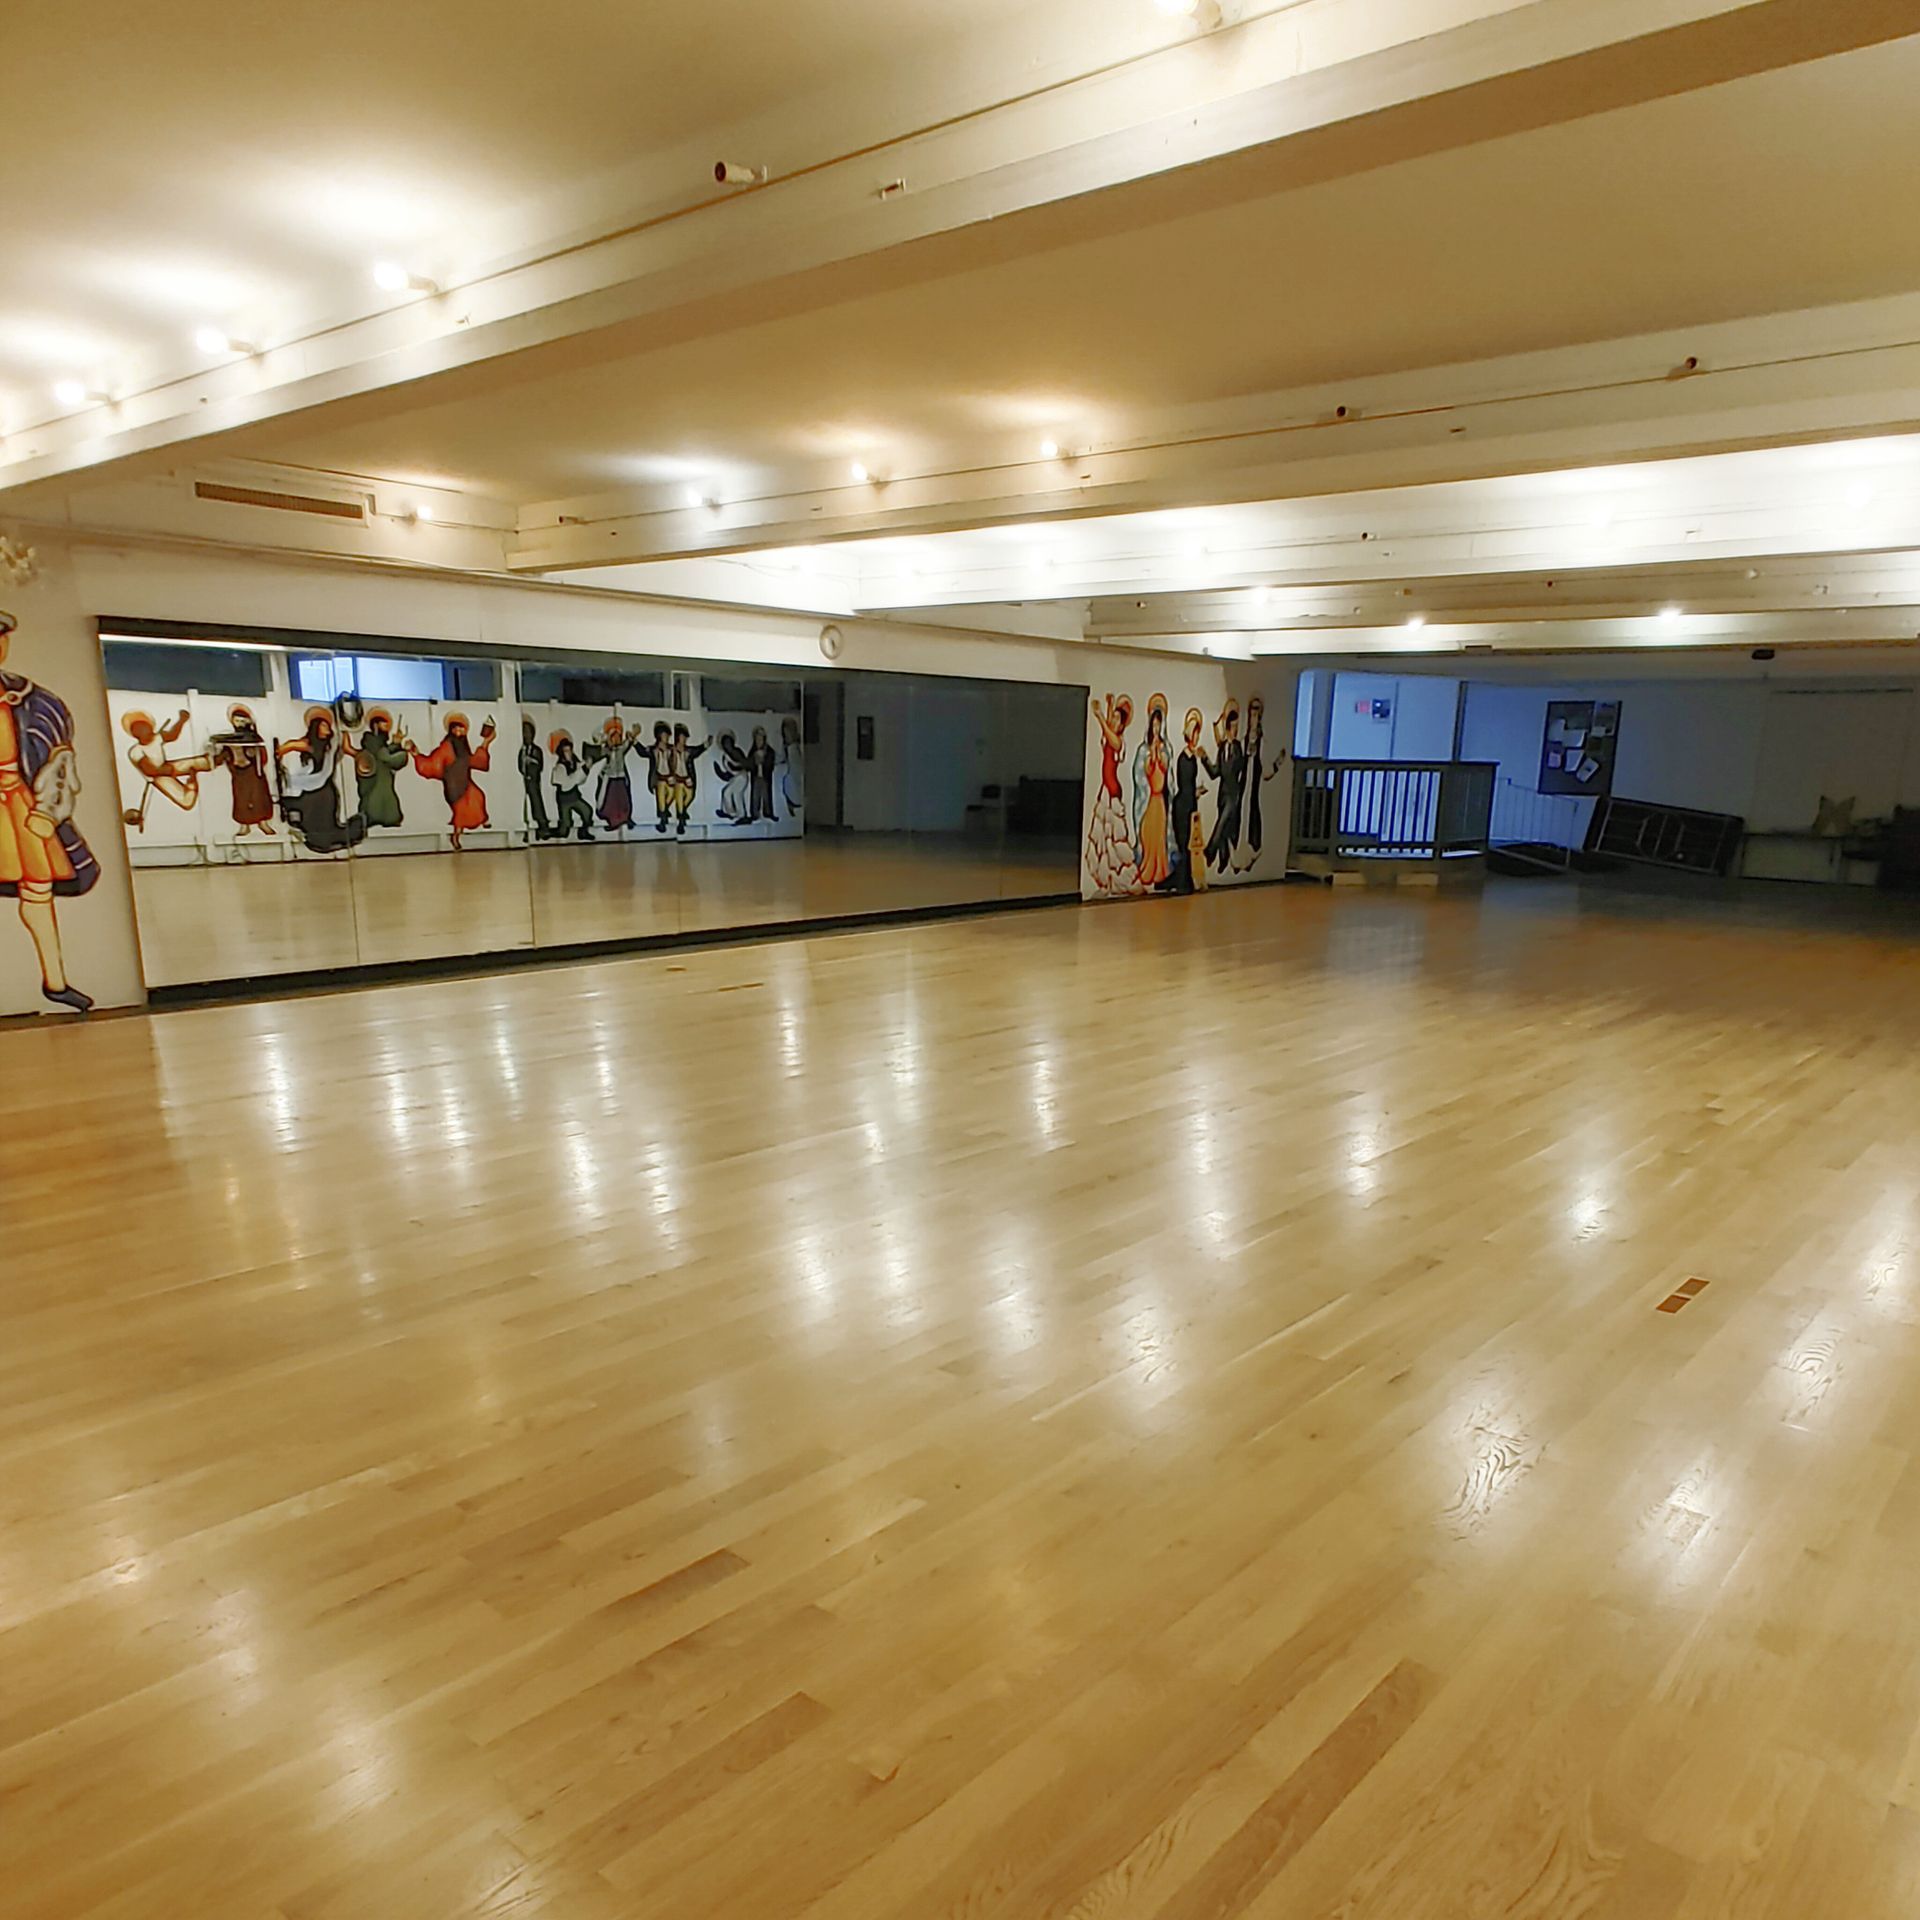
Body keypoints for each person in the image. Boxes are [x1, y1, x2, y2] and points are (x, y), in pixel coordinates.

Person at [0, 609, 98, 1012]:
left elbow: (59, 763)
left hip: (16, 802)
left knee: (37, 890)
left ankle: (55, 981)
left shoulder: (32, 701)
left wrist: (47, 810)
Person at [277, 707, 368, 854]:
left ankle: (330, 839)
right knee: (309, 817)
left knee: (326, 821)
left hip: (326, 790)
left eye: (328, 725)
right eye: (324, 725)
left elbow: (346, 748)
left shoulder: (330, 746)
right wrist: (279, 755)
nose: (328, 729)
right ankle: (314, 839)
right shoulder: (308, 743)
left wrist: (347, 735)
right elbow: (289, 746)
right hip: (312, 790)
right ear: (316, 726)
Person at [411, 711, 494, 849]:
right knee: (462, 811)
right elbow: (434, 764)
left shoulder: (463, 746)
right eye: (455, 728)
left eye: (461, 728)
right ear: (451, 730)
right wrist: (417, 756)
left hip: (465, 782)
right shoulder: (447, 746)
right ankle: (455, 837)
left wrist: (486, 742)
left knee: (478, 796)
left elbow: (474, 761)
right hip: (454, 785)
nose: (458, 731)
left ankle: (482, 820)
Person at [120, 708, 210, 828]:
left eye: (145, 727)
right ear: (135, 735)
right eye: (138, 729)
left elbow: (172, 736)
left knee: (194, 763)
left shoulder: (157, 738)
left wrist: (181, 721)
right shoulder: (136, 751)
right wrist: (167, 771)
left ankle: (212, 761)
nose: (144, 731)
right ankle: (191, 784)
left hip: (165, 766)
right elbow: (150, 770)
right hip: (158, 776)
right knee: (185, 800)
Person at [1231, 694, 1289, 875]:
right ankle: (1236, 858)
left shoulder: (1263, 744)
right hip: (1241, 790)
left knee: (1252, 820)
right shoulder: (1241, 741)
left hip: (1252, 792)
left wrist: (1278, 763)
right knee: (1238, 820)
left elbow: (1265, 773)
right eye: (1252, 712)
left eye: (1257, 713)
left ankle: (1249, 856)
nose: (1254, 717)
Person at [1086, 693, 1136, 895]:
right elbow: (1107, 731)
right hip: (1105, 790)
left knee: (1114, 839)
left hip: (1113, 791)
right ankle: (1105, 880)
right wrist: (1108, 707)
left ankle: (1120, 879)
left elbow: (1110, 735)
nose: (1112, 721)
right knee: (1103, 839)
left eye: (1117, 719)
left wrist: (1100, 716)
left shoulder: (1119, 742)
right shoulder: (1110, 735)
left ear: (1122, 725)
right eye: (1112, 718)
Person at [1161, 707, 1211, 895]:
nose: (1197, 738)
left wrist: (1196, 792)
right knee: (1184, 843)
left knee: (1190, 844)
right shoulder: (1184, 758)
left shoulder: (1193, 758)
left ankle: (1186, 881)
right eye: (1195, 734)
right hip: (1183, 806)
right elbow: (1184, 784)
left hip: (1189, 803)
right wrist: (1194, 793)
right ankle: (1182, 882)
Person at [212, 704, 275, 837]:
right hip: (238, 773)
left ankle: (263, 823)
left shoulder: (253, 738)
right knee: (241, 799)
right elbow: (223, 755)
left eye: (242, 721)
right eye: (236, 721)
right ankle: (244, 826)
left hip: (253, 773)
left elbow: (262, 756)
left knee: (258, 797)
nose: (239, 724)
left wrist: (252, 752)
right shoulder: (230, 739)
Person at [1131, 694, 1172, 890]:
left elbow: (1166, 770)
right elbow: (1142, 773)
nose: (1156, 729)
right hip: (1149, 801)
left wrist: (1159, 754)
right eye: (1153, 725)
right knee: (1147, 833)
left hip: (1159, 801)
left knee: (1159, 837)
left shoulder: (1166, 748)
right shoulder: (1143, 749)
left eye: (1159, 725)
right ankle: (1146, 869)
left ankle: (1160, 872)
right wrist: (1151, 755)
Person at [1203, 699, 1248, 876]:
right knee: (1225, 827)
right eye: (1234, 726)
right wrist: (1205, 759)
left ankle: (1210, 851)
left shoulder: (1238, 748)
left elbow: (1240, 768)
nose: (1236, 730)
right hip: (1222, 794)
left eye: (1238, 726)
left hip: (1233, 794)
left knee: (1221, 824)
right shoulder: (1222, 748)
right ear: (1229, 727)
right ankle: (1223, 858)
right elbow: (1215, 772)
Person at [353, 708, 409, 830]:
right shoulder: (373, 742)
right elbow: (386, 757)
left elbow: (384, 752)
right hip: (376, 783)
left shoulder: (378, 742)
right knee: (376, 803)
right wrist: (403, 753)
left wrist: (396, 744)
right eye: (384, 724)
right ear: (376, 725)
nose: (387, 727)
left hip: (383, 780)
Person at [548, 731, 595, 842]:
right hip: (564, 798)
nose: (568, 753)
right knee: (565, 827)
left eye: (570, 750)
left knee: (587, 811)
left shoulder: (574, 762)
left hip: (574, 796)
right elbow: (567, 784)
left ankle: (583, 832)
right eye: (565, 751)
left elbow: (580, 779)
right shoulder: (560, 767)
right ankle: (552, 831)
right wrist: (584, 769)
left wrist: (587, 766)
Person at [666, 723, 710, 836]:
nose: (684, 739)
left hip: (687, 778)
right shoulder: (671, 751)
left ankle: (682, 812)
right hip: (677, 780)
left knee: (690, 796)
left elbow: (697, 750)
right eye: (682, 737)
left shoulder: (688, 751)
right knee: (679, 800)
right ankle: (681, 821)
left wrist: (706, 744)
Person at [517, 715, 553, 840]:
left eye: (528, 732)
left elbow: (539, 765)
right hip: (521, 781)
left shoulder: (536, 750)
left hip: (533, 781)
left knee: (536, 803)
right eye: (524, 732)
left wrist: (530, 762)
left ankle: (542, 826)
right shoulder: (520, 750)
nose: (526, 735)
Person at [645, 720, 676, 833]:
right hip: (659, 778)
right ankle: (663, 820)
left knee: (672, 794)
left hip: (670, 777)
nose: (666, 737)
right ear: (659, 736)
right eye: (664, 735)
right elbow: (642, 752)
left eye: (667, 735)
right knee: (661, 798)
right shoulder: (653, 750)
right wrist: (634, 742)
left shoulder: (671, 749)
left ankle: (664, 812)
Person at [744, 725, 778, 823]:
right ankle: (754, 814)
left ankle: (768, 813)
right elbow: (749, 764)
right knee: (755, 796)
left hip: (765, 777)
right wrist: (754, 760)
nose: (759, 741)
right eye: (757, 739)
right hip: (756, 777)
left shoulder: (769, 751)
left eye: (761, 738)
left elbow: (771, 763)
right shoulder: (752, 751)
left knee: (766, 795)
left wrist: (763, 760)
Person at [715, 730, 751, 823]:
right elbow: (728, 774)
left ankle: (741, 815)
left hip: (741, 776)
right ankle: (731, 813)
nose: (727, 745)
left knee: (736, 794)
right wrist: (719, 771)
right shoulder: (725, 757)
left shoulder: (736, 752)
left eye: (728, 742)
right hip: (735, 777)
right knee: (726, 792)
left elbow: (744, 764)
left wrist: (734, 764)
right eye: (725, 743)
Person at [778, 717, 804, 818]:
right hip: (792, 770)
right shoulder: (785, 745)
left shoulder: (798, 743)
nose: (787, 734)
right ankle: (792, 805)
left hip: (799, 768)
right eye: (785, 732)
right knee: (789, 782)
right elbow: (782, 757)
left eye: (789, 731)